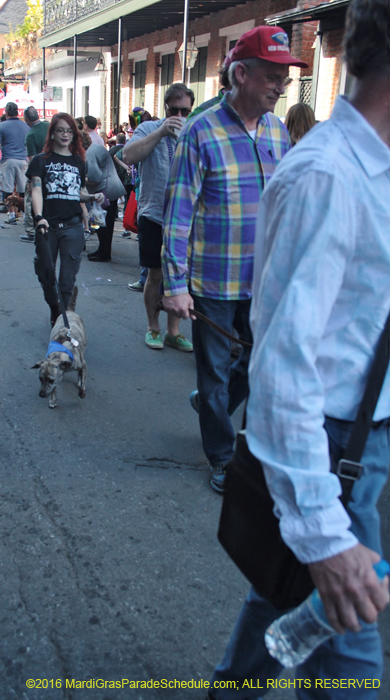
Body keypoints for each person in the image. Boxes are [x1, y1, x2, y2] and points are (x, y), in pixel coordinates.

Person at [207, 1, 390, 697]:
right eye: (271, 72)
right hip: (328, 444)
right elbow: (283, 373)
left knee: (285, 592)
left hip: (364, 444)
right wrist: (322, 534)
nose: (282, 84)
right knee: (349, 655)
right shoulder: (325, 176)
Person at [161, 29, 303, 492]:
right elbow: (178, 216)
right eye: (273, 76)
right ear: (241, 74)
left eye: (285, 78)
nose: (281, 87)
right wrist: (175, 284)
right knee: (215, 371)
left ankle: (210, 405)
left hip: (264, 281)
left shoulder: (278, 131)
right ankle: (222, 457)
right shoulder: (201, 130)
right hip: (213, 282)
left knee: (257, 364)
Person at [122, 84, 195, 353]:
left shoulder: (194, 131)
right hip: (153, 213)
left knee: (179, 274)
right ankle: (153, 327)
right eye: (173, 110)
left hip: (186, 218)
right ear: (165, 108)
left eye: (184, 111)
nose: (178, 115)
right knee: (155, 274)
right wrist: (163, 130)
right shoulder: (148, 128)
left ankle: (173, 332)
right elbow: (129, 156)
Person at [26, 113, 104, 326]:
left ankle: (62, 319)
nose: (65, 134)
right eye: (60, 130)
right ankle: (55, 307)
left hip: (72, 226)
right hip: (47, 227)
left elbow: (75, 192)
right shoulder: (40, 161)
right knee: (46, 273)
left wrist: (91, 197)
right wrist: (39, 217)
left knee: (67, 278)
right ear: (52, 134)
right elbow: (36, 190)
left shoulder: (79, 161)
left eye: (69, 131)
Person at [84, 134, 126, 262]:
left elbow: (95, 177)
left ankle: (104, 252)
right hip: (111, 187)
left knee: (103, 224)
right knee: (105, 224)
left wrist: (82, 180)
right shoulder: (96, 147)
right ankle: (102, 250)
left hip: (105, 190)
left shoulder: (89, 153)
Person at [0, 102, 30, 225]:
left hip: (8, 159)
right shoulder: (26, 126)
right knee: (23, 189)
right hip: (23, 159)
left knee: (8, 189)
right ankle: (26, 215)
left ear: (6, 112)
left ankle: (11, 215)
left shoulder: (2, 126)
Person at [21, 106, 50, 243]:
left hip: (39, 172)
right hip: (53, 169)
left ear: (27, 119)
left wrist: (30, 179)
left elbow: (32, 159)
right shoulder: (49, 126)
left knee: (30, 199)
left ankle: (31, 230)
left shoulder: (31, 135)